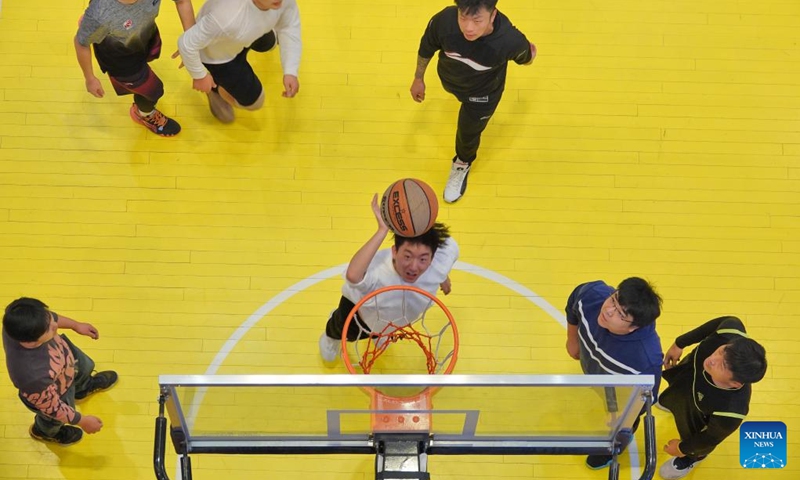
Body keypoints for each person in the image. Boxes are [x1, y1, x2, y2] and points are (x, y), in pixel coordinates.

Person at [410, 0, 536, 203]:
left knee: (468, 133)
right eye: (463, 17)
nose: (468, 28)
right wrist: (418, 78)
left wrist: (530, 54)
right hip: (451, 81)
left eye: (477, 21)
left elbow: (527, 57)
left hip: (482, 96)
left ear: (493, 15)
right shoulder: (444, 21)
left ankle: (462, 163)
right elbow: (427, 47)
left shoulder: (510, 40)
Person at [319, 194, 459, 362]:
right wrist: (382, 230)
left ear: (432, 257)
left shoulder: (444, 254)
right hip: (360, 315)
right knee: (339, 329)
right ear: (394, 251)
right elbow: (353, 275)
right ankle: (330, 339)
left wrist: (443, 276)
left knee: (387, 324)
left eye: (423, 259)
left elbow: (442, 257)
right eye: (407, 256)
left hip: (393, 319)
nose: (414, 267)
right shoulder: (378, 271)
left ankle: (380, 333)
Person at [564, 277, 664, 469]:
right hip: (596, 373)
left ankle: (613, 448)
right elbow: (574, 301)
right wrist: (572, 338)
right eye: (613, 300)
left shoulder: (645, 361)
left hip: (620, 394)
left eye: (621, 314)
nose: (608, 310)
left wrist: (621, 416)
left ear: (634, 327)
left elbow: (644, 400)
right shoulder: (592, 294)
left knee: (621, 426)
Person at [658, 316, 767, 479]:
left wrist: (682, 448)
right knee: (675, 392)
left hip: (697, 414)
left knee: (696, 441)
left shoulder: (731, 411)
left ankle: (692, 458)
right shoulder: (732, 329)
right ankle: (672, 400)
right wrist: (679, 343)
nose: (712, 359)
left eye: (723, 365)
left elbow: (710, 438)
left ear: (735, 383)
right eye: (723, 351)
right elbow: (710, 327)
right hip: (688, 377)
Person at [2, 298, 118, 446]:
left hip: (65, 360)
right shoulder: (32, 377)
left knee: (83, 368)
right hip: (55, 393)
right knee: (52, 421)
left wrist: (75, 325)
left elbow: (50, 318)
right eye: (49, 329)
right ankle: (44, 432)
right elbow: (53, 408)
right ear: (32, 341)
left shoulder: (21, 322)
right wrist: (82, 421)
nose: (55, 325)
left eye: (49, 318)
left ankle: (83, 388)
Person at [176, 0, 301, 123]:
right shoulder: (225, 18)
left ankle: (265, 31)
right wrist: (200, 76)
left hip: (244, 34)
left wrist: (290, 70)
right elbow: (186, 44)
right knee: (255, 103)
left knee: (271, 42)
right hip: (219, 55)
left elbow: (289, 26)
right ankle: (215, 88)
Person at [74, 0, 181, 137]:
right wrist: (90, 78)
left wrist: (191, 39)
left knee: (150, 57)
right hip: (121, 60)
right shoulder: (100, 14)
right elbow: (81, 43)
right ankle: (144, 114)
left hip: (144, 37)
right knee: (154, 91)